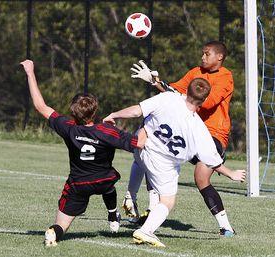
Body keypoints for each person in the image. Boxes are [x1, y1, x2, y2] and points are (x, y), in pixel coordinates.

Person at [103, 78, 245, 247]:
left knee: (142, 133)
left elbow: (136, 111)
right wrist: (231, 174)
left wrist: (113, 115)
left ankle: (131, 196)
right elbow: (212, 161)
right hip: (164, 166)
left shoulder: (168, 98)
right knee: (168, 202)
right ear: (204, 100)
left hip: (141, 150)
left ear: (187, 91)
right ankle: (145, 230)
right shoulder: (199, 128)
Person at [20, 60, 146, 247]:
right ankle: (112, 213)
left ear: (73, 113)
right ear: (94, 111)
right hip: (103, 179)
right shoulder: (107, 131)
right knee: (109, 185)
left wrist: (30, 73)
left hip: (78, 184)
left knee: (62, 225)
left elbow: (40, 106)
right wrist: (148, 121)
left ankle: (53, 232)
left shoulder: (68, 127)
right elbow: (140, 143)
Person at [123, 41, 238, 237]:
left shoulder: (226, 77)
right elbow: (173, 91)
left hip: (212, 135)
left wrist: (167, 87)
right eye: (202, 53)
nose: (202, 57)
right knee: (153, 148)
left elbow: (206, 102)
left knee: (201, 177)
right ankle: (149, 206)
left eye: (207, 54)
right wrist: (155, 81)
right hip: (187, 130)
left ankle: (225, 227)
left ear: (219, 57)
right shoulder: (195, 71)